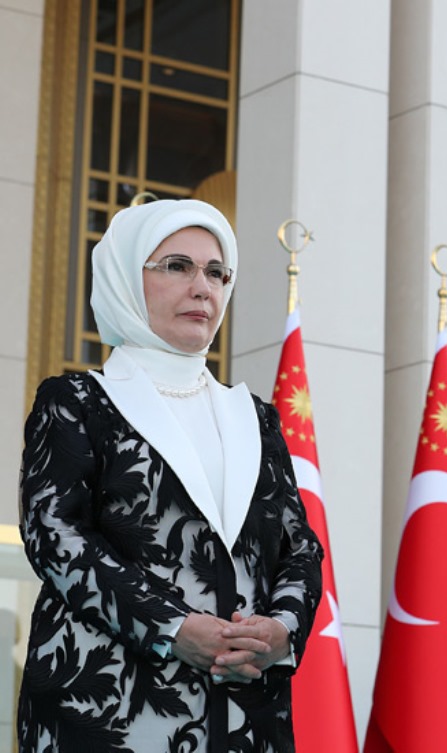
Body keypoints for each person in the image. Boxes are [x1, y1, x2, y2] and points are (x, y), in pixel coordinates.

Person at [18, 199, 324, 752]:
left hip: (244, 715)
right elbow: (56, 536)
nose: (202, 288)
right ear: (124, 279)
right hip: (106, 709)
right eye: (177, 266)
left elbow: (299, 545)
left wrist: (281, 630)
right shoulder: (78, 402)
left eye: (217, 272)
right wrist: (172, 626)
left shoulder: (255, 417)